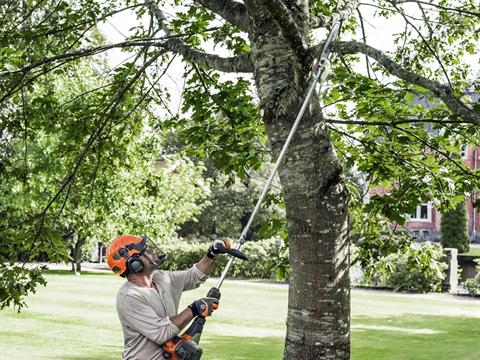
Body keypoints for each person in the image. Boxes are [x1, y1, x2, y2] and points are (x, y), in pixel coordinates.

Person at [106, 234, 229, 360]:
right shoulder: (130, 297)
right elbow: (161, 333)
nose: (153, 251)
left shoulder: (161, 278)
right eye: (146, 250)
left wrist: (213, 252)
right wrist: (194, 309)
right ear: (134, 263)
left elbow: (194, 276)